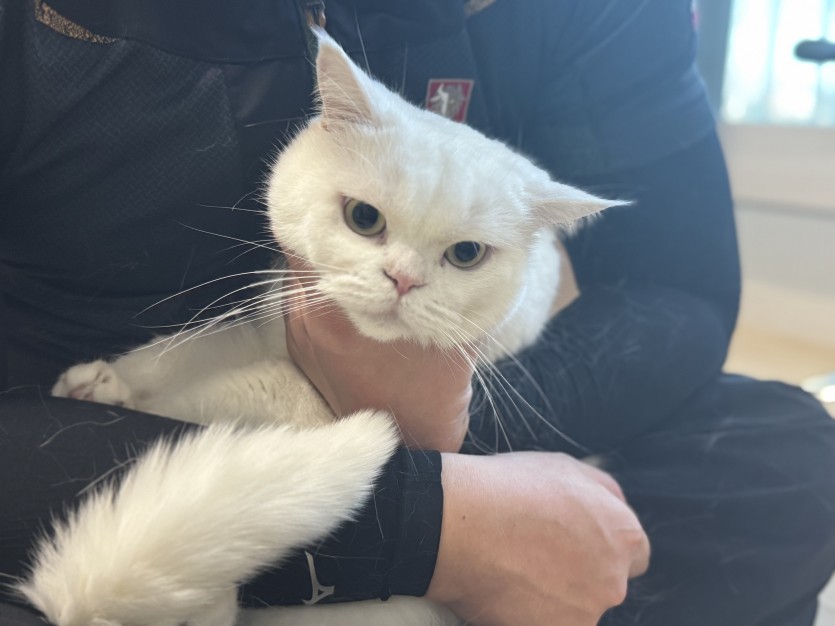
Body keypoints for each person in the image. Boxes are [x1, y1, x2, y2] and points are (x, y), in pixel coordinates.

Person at [1, 1, 833, 625]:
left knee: (784, 461)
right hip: (69, 431)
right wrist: (433, 524)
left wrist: (453, 437)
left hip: (426, 413)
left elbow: (677, 291)